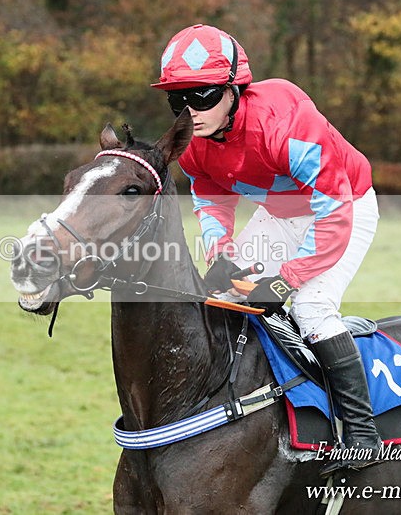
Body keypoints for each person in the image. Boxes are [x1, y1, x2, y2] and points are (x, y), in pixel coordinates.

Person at [151, 24, 381, 476]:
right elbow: (211, 196)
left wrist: (285, 280)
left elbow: (332, 213)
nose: (190, 111)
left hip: (344, 206)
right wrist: (221, 254)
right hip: (280, 214)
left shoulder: (285, 124)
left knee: (311, 308)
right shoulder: (193, 144)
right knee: (224, 294)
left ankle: (363, 433)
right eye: (178, 100)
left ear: (234, 89)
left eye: (203, 96)